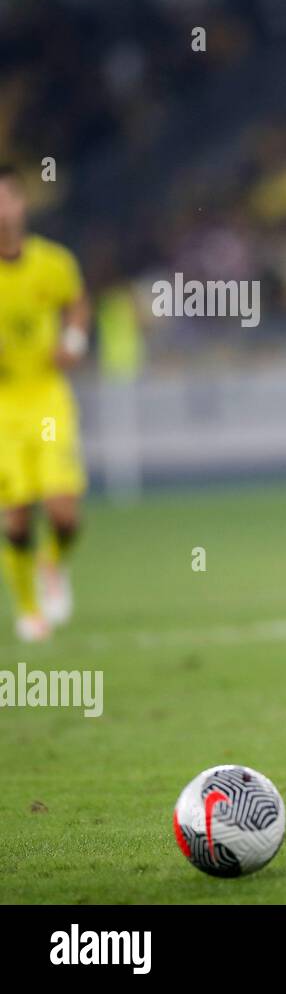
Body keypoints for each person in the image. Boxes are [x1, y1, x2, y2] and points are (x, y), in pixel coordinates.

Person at [0, 164, 92, 641]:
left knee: (64, 513)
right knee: (15, 512)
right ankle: (29, 610)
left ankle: (51, 563)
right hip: (3, 405)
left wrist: (73, 343)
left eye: (6, 198)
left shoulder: (52, 262)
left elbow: (78, 303)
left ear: (21, 203)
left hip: (48, 396)